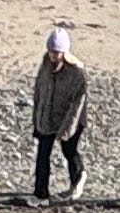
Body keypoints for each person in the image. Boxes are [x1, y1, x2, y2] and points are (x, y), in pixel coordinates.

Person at [30, 26, 88, 202]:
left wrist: (67, 129)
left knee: (69, 150)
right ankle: (41, 194)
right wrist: (37, 119)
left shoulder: (77, 73)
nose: (53, 55)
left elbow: (78, 104)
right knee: (43, 154)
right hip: (47, 116)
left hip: (71, 119)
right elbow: (39, 92)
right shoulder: (45, 66)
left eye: (56, 52)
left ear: (64, 52)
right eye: (51, 51)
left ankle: (78, 179)